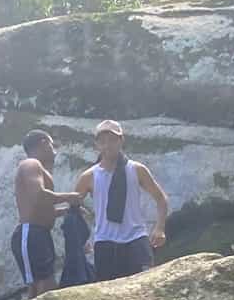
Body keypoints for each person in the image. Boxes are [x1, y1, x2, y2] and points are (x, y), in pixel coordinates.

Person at [73, 120, 171, 281]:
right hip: (105, 242)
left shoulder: (137, 170)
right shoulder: (89, 176)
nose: (108, 145)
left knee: (145, 287)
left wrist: (159, 228)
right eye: (103, 141)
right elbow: (74, 208)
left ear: (121, 140)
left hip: (136, 238)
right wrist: (81, 238)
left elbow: (161, 198)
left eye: (112, 140)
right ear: (97, 145)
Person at [10, 129, 79, 298]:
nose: (54, 151)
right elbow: (39, 195)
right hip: (31, 234)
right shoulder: (31, 164)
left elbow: (40, 208)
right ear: (44, 143)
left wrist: (65, 211)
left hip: (38, 234)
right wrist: (69, 197)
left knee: (37, 287)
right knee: (46, 286)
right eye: (52, 145)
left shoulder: (37, 167)